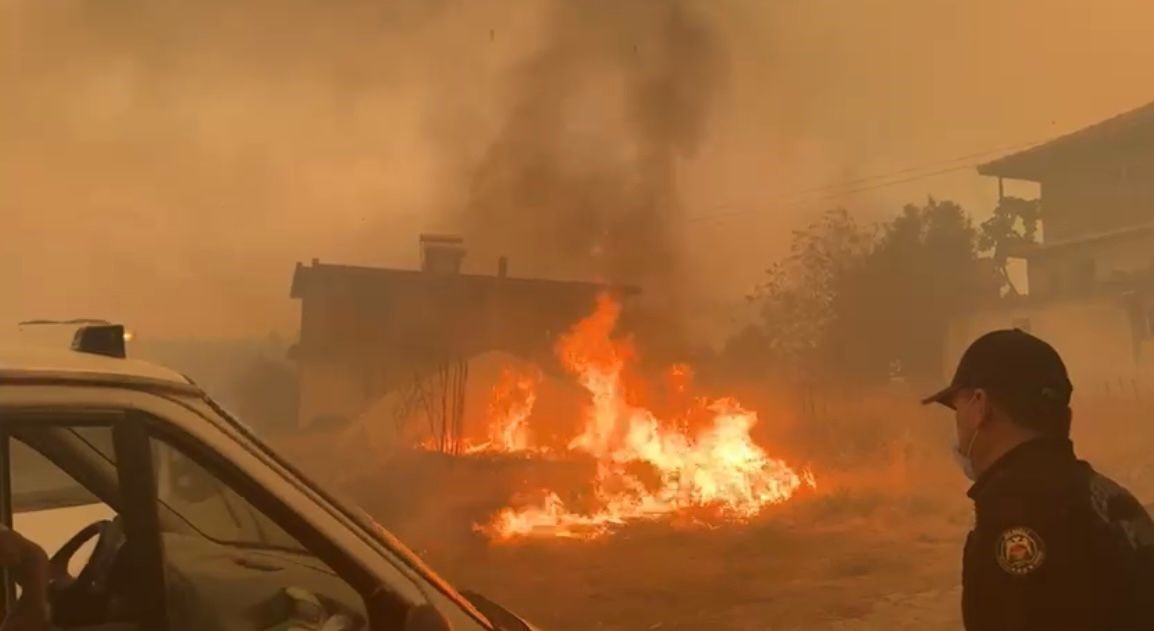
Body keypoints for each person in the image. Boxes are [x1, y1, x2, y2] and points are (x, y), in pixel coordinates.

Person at [923, 329, 1154, 630]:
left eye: (958, 407)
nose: (957, 425)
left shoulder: (1014, 516)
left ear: (980, 405)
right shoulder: (1107, 496)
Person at [0, 524, 51, 631]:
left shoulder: (5, 539)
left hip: (34, 575)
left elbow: (12, 556)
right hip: (35, 575)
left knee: (32, 611)